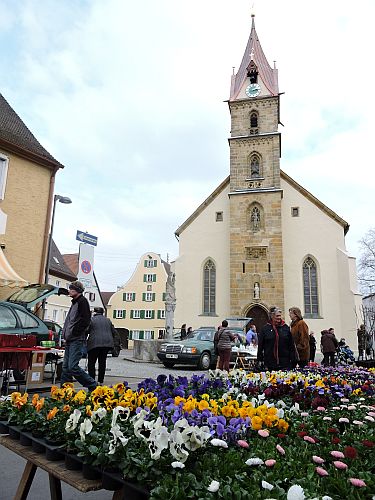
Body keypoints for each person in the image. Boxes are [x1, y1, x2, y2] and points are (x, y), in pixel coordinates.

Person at [60, 281, 97, 391]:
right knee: (66, 367)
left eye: (71, 289)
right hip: (70, 339)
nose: (69, 290)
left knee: (72, 367)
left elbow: (86, 320)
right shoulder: (75, 302)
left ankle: (92, 384)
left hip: (76, 339)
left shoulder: (82, 302)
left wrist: (75, 332)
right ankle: (64, 391)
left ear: (77, 291)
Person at [86, 307, 120, 384]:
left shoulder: (91, 320)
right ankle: (100, 380)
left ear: (94, 312)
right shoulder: (108, 320)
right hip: (107, 344)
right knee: (102, 362)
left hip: (94, 343)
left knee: (91, 362)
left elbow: (87, 330)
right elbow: (114, 332)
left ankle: (92, 380)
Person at [257, 307, 296, 371]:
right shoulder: (265, 329)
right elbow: (260, 346)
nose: (279, 317)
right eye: (277, 316)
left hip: (285, 363)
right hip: (270, 363)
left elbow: (291, 345)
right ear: (272, 316)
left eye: (280, 316)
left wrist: (293, 360)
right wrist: (259, 360)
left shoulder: (285, 328)